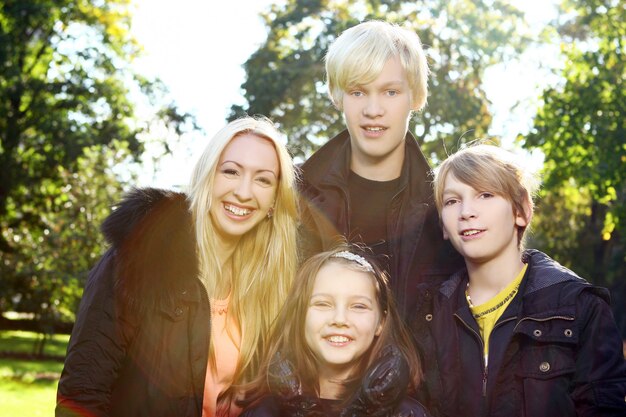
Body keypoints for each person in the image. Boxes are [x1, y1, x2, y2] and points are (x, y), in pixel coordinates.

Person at [55, 116, 299, 417]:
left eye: (263, 179)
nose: (244, 192)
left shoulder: (269, 286)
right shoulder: (140, 257)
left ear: (275, 199)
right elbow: (81, 393)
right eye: (231, 171)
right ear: (207, 176)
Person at [411, 144, 626, 417]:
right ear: (442, 224)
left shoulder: (581, 308)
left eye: (485, 194)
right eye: (452, 201)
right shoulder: (427, 314)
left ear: (521, 210)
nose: (466, 211)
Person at [298, 20, 462, 318]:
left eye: (390, 92)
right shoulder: (293, 196)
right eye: (358, 92)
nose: (373, 110)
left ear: (415, 96)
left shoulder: (445, 209)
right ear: (338, 96)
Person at [240, 245, 431, 417]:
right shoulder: (263, 413)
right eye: (323, 304)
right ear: (299, 316)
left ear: (381, 321)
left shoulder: (409, 414)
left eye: (358, 306)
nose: (339, 319)